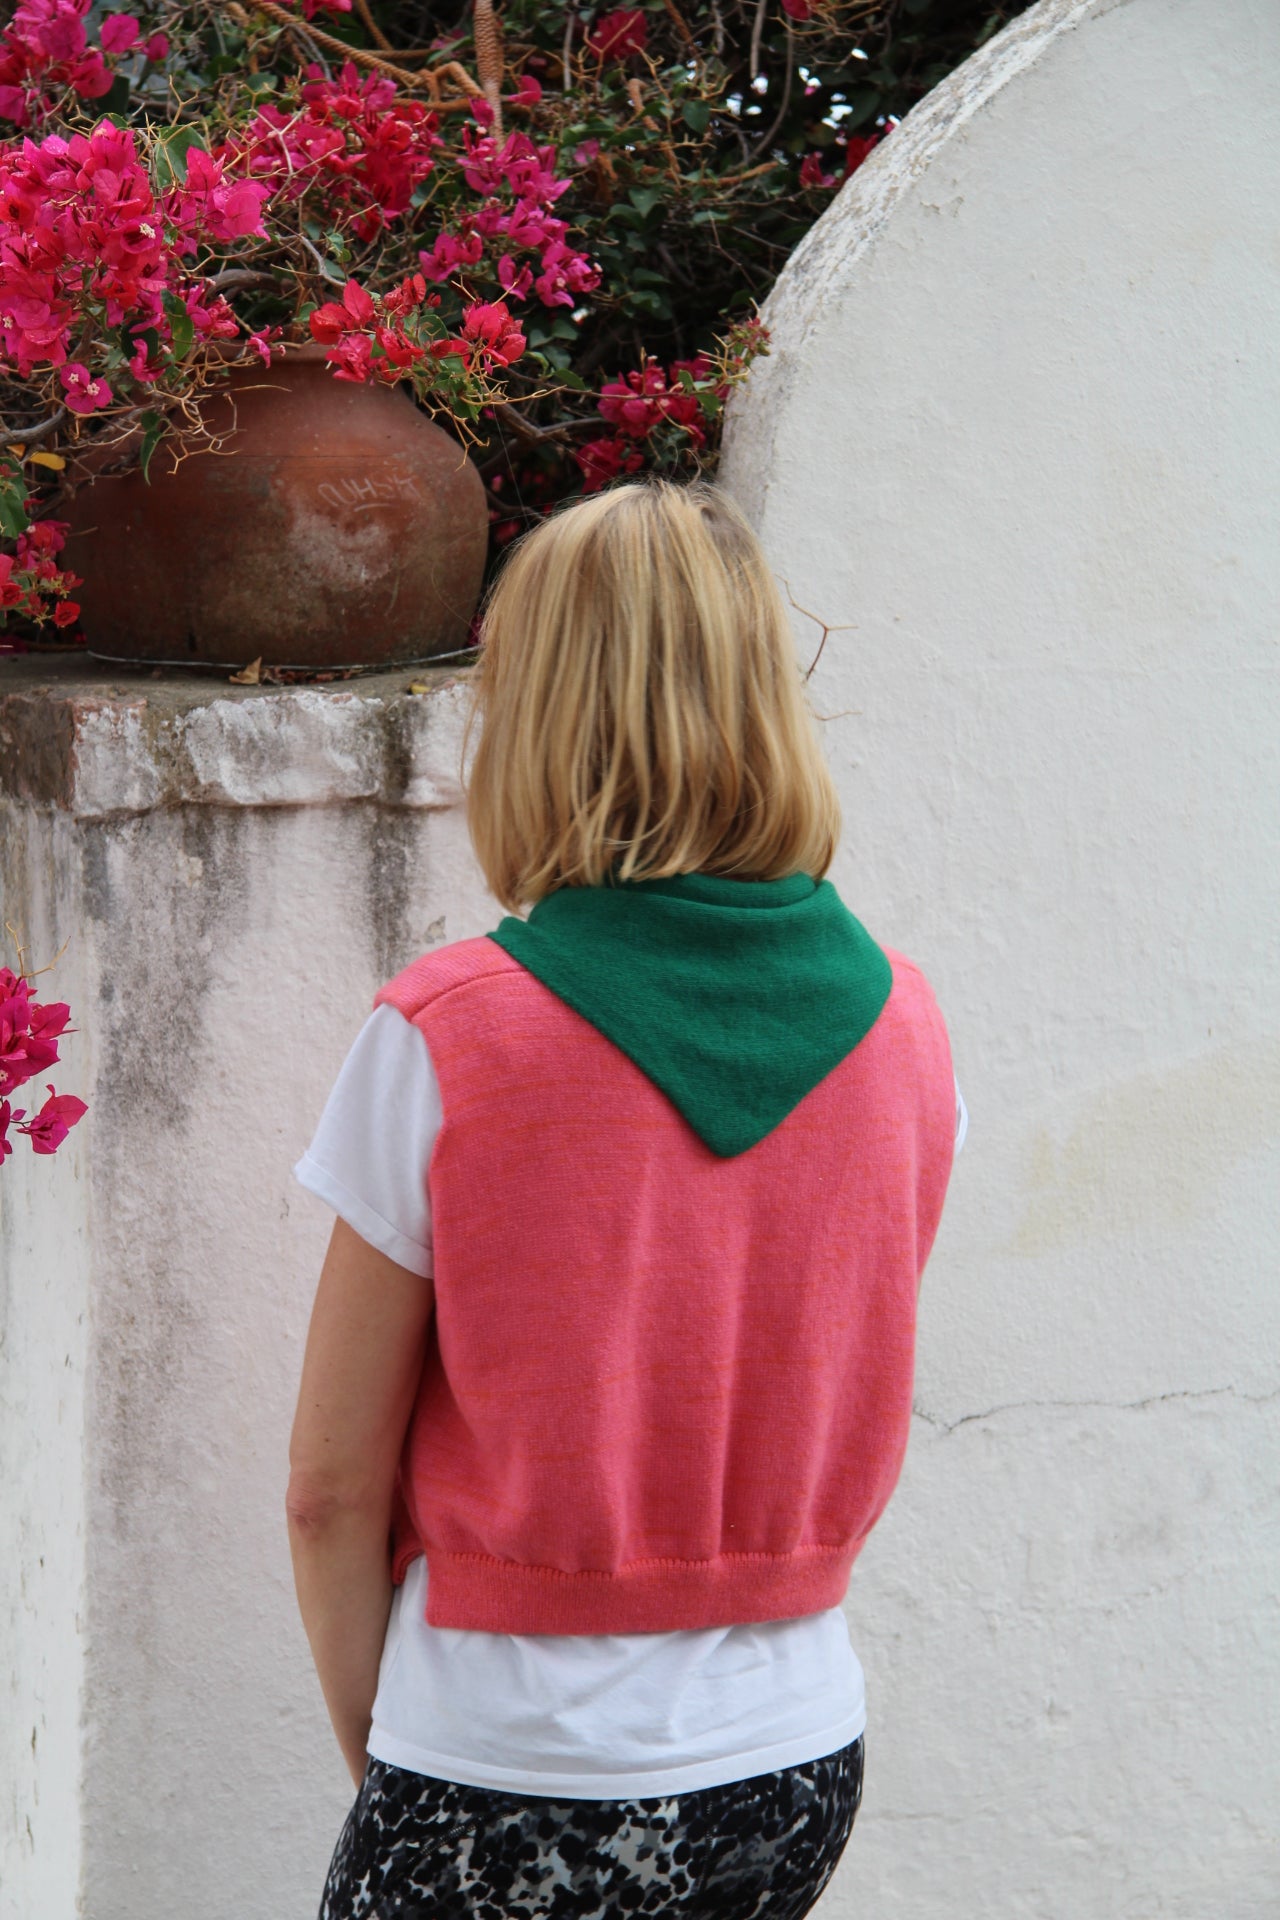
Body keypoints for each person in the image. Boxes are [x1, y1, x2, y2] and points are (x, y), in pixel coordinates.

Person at [287, 478, 965, 1920]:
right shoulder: (906, 1029)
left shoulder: (451, 1032)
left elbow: (328, 1493)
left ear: (536, 713)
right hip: (795, 1754)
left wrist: (393, 1766)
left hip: (503, 1755)